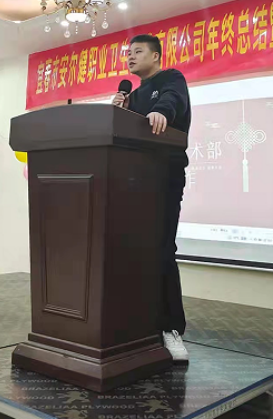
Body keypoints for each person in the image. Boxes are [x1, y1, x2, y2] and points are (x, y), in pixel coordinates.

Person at [113, 34, 191, 363]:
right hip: (132, 180)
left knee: (161, 249)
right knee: (131, 250)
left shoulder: (171, 78)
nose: (130, 57)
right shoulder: (132, 95)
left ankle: (170, 328)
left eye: (137, 52)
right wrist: (117, 113)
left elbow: (172, 101)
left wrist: (160, 111)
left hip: (164, 176)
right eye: (128, 53)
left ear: (156, 56)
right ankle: (137, 322)